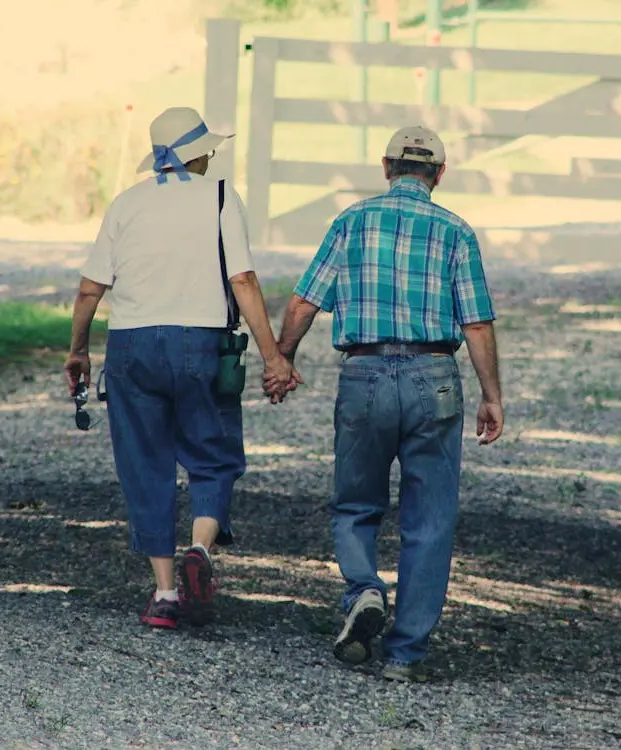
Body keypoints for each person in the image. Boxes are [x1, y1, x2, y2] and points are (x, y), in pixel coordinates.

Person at [269, 125, 504, 683]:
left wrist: (281, 360)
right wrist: (492, 396)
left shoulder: (351, 222)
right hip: (434, 377)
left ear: (386, 167)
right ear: (439, 174)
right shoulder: (456, 232)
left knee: (355, 503)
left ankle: (364, 588)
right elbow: (476, 321)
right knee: (431, 518)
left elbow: (305, 301)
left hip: (365, 372)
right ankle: (405, 654)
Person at [64, 106, 296, 630]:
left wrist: (78, 349)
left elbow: (89, 288)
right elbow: (243, 281)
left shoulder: (125, 204)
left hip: (131, 347)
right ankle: (201, 548)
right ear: (199, 154)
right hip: (201, 341)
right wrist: (273, 356)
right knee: (212, 455)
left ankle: (166, 593)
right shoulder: (219, 197)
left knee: (145, 465)